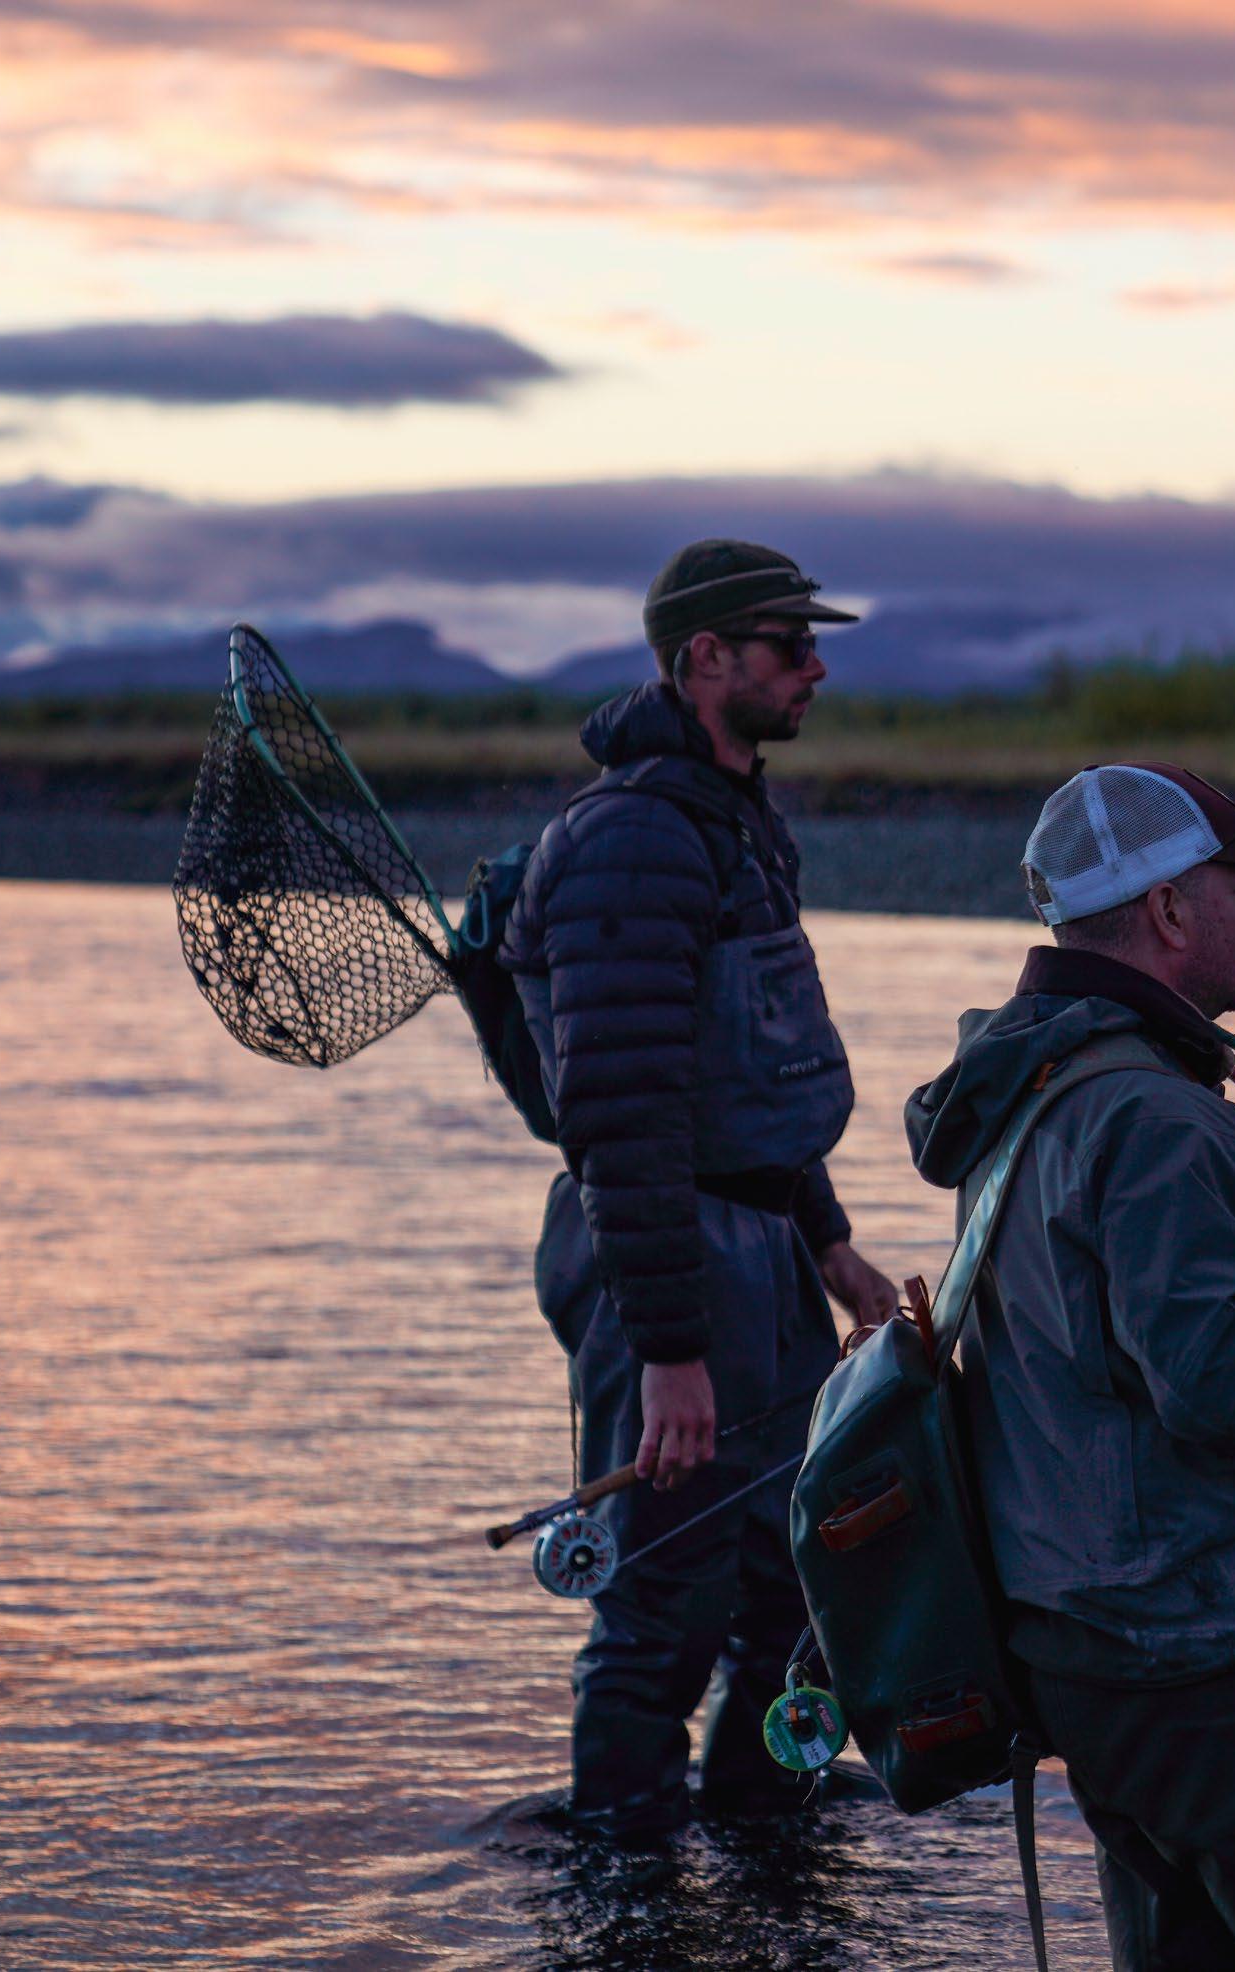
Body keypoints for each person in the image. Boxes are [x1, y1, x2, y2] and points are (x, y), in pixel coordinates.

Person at [499, 538, 897, 1840]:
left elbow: (746, 1071)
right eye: (790, 645)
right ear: (703, 659)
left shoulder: (731, 816)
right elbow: (624, 1115)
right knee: (662, 1598)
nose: (815, 666)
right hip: (664, 1263)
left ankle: (762, 1826)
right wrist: (670, 1352)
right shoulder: (628, 843)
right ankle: (616, 1881)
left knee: (797, 1570)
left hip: (758, 1242)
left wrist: (826, 1240)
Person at [905, 762, 1235, 1970]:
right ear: (1169, 911)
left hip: (1086, 1643)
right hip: (1200, 1654)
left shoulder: (1036, 1081)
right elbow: (1220, 1382)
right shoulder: (1156, 1120)